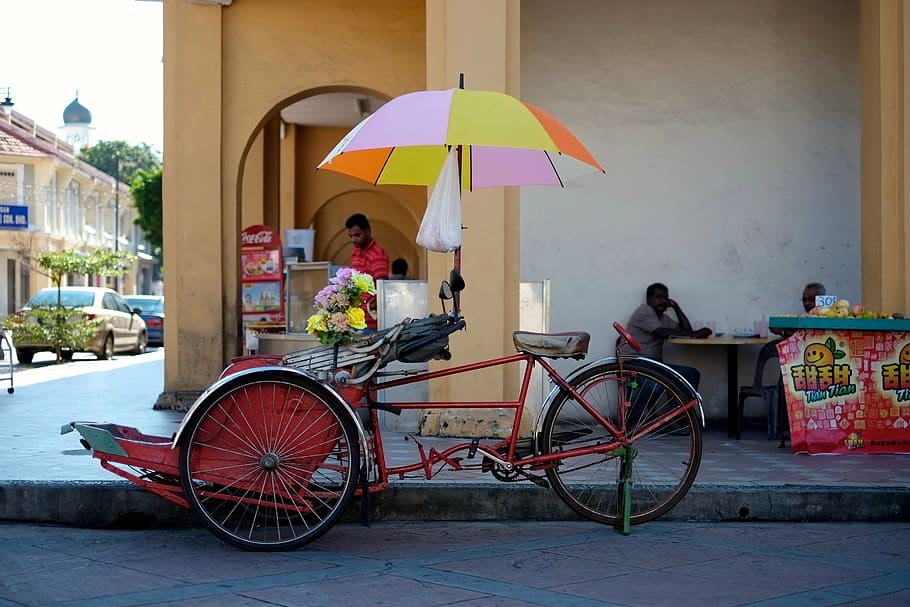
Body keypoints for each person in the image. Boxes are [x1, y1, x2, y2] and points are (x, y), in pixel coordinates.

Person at [620, 282, 711, 390]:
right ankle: (636, 408)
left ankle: (677, 407)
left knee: (691, 374)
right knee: (655, 386)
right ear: (649, 300)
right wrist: (695, 334)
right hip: (634, 362)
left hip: (653, 364)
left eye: (665, 298)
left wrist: (676, 307)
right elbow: (660, 333)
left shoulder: (664, 318)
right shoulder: (644, 311)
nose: (663, 301)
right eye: (659, 297)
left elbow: (687, 331)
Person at [345, 213, 389, 330]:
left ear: (368, 231)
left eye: (357, 235)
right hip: (356, 317)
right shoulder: (356, 252)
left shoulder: (377, 254)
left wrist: (373, 304)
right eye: (351, 236)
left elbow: (382, 286)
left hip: (370, 322)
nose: (354, 239)